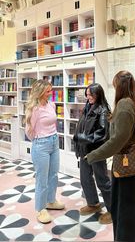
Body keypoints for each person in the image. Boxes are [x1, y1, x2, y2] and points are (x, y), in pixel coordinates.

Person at [85, 71, 135, 241]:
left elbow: (117, 142)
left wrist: (93, 155)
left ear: (119, 87)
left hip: (127, 160)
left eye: (114, 85)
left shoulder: (124, 106)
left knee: (124, 207)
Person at [25, 79, 64, 224]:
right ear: (40, 92)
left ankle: (51, 201)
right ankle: (40, 209)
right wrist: (39, 140)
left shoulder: (51, 104)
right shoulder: (34, 109)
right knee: (42, 179)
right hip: (40, 145)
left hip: (54, 142)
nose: (51, 93)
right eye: (48, 91)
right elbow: (29, 131)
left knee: (53, 174)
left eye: (50, 90)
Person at [73, 83, 112, 224]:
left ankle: (113, 211)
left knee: (103, 181)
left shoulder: (103, 110)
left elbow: (102, 134)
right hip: (84, 150)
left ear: (98, 94)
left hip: (96, 151)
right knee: (85, 178)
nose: (88, 97)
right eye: (87, 94)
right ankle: (94, 204)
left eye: (90, 94)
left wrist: (81, 138)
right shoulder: (88, 107)